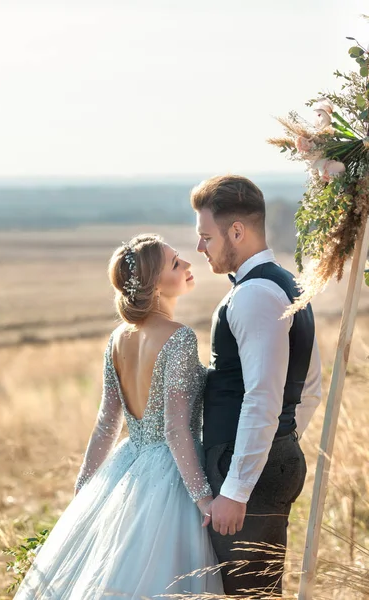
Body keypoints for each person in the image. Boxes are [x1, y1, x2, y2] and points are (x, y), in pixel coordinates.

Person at [13, 233, 223, 600]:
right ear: (154, 285)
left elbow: (106, 424)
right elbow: (175, 429)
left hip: (126, 468)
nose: (188, 264)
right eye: (176, 263)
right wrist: (203, 497)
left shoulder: (117, 339)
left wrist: (86, 489)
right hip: (170, 475)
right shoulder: (180, 338)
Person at [191, 175, 322, 598]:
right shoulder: (287, 283)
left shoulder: (252, 295)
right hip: (265, 459)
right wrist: (283, 436)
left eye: (206, 236)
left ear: (236, 231)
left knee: (248, 594)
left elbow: (262, 397)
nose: (200, 248)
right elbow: (310, 385)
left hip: (244, 471)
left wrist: (237, 487)